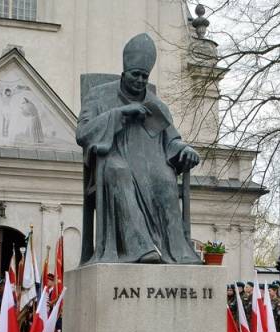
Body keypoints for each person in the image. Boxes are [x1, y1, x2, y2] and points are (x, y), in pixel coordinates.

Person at [76, 33, 201, 264]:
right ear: (124, 72)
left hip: (150, 167)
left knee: (166, 179)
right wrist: (119, 114)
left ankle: (177, 252)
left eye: (145, 76)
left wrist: (184, 149)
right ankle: (139, 248)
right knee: (119, 171)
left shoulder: (156, 105)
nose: (140, 80)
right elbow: (83, 133)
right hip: (111, 160)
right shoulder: (98, 95)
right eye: (136, 74)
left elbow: (171, 141)